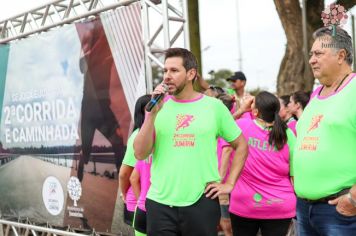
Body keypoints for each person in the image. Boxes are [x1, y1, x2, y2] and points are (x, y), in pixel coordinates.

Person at [134, 47, 248, 236]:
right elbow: (140, 153)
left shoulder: (214, 107)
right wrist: (151, 115)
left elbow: (241, 145)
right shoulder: (157, 108)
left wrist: (229, 184)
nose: (167, 76)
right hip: (159, 203)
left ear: (191, 74)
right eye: (165, 71)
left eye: (174, 70)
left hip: (201, 203)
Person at [293, 26, 356, 236]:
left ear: (341, 55)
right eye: (311, 54)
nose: (311, 60)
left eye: (319, 53)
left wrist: (353, 199)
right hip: (305, 209)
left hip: (341, 212)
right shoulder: (316, 94)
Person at [229, 91, 296, 236]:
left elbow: (217, 127)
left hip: (245, 204)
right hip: (280, 204)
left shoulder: (242, 125)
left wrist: (241, 110)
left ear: (255, 111)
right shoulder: (288, 133)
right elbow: (294, 174)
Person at [119, 95, 151, 226]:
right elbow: (125, 174)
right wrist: (125, 195)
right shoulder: (138, 137)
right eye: (151, 107)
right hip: (140, 202)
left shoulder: (155, 133)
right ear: (143, 111)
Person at [130, 156, 152, 236]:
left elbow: (133, 178)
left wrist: (141, 200)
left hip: (142, 209)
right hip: (163, 210)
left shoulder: (145, 155)